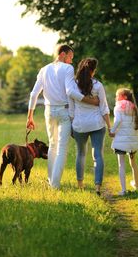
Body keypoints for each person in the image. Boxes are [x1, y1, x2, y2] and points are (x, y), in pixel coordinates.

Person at [26, 44, 99, 189]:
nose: (72, 61)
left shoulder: (44, 69)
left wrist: (30, 117)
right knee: (61, 149)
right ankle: (54, 185)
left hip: (48, 111)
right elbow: (71, 91)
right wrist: (90, 101)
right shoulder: (67, 69)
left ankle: (51, 181)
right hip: (63, 112)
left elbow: (34, 94)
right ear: (63, 54)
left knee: (52, 146)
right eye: (70, 57)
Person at [69, 58, 111, 196]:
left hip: (79, 125)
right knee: (97, 154)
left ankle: (80, 185)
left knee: (80, 154)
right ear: (94, 70)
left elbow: (71, 109)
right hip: (97, 124)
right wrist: (110, 126)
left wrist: (71, 125)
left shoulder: (74, 85)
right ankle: (98, 187)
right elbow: (104, 108)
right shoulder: (98, 86)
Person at [109, 88, 138, 196]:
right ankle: (136, 185)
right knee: (133, 163)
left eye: (118, 95)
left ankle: (123, 190)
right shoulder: (133, 107)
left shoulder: (118, 106)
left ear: (124, 97)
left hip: (121, 141)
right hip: (132, 141)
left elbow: (118, 120)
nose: (116, 98)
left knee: (121, 164)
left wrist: (112, 131)